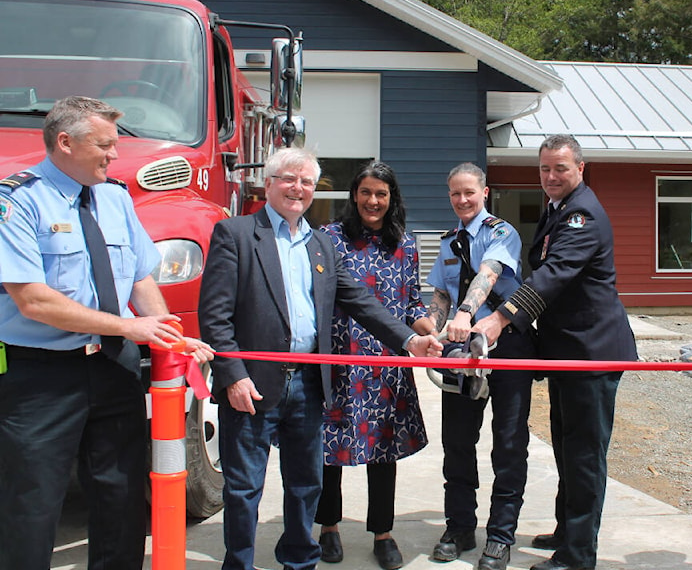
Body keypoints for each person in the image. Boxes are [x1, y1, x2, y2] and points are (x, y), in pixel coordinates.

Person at [198, 148, 442, 570]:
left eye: (307, 182)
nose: (298, 189)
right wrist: (233, 375)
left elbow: (360, 301)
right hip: (254, 384)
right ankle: (238, 563)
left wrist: (408, 340)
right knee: (244, 488)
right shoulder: (234, 234)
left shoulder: (319, 245)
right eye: (289, 180)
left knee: (306, 484)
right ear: (269, 183)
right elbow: (215, 318)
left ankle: (299, 560)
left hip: (311, 384)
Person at [0, 96, 213, 570]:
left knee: (120, 499)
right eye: (105, 145)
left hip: (112, 368)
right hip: (41, 377)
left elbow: (141, 277)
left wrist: (171, 335)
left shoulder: (115, 197)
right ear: (65, 142)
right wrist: (130, 325)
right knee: (31, 506)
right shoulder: (18, 201)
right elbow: (32, 300)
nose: (115, 155)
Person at [474, 135, 638, 570]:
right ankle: (569, 530)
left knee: (584, 456)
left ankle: (578, 556)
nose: (550, 176)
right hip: (568, 352)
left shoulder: (582, 214)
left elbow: (553, 276)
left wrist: (500, 319)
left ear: (581, 169)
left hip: (592, 353)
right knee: (569, 448)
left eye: (560, 168)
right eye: (544, 168)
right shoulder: (559, 208)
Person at [314, 161, 434, 570]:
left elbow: (412, 302)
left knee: (383, 449)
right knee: (331, 449)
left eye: (381, 194)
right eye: (366, 192)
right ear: (354, 195)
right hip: (339, 359)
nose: (373, 201)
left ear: (391, 198)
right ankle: (328, 526)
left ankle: (382, 533)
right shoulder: (328, 239)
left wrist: (425, 328)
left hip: (387, 364)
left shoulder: (406, 243)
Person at [425, 162, 536, 570]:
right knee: (457, 443)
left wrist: (466, 313)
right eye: (455, 193)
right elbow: (440, 296)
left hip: (507, 347)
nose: (462, 200)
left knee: (508, 445)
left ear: (484, 192)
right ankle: (458, 527)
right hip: (462, 351)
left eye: (469, 192)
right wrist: (429, 332)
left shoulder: (501, 232)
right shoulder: (449, 241)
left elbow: (486, 276)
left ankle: (501, 537)